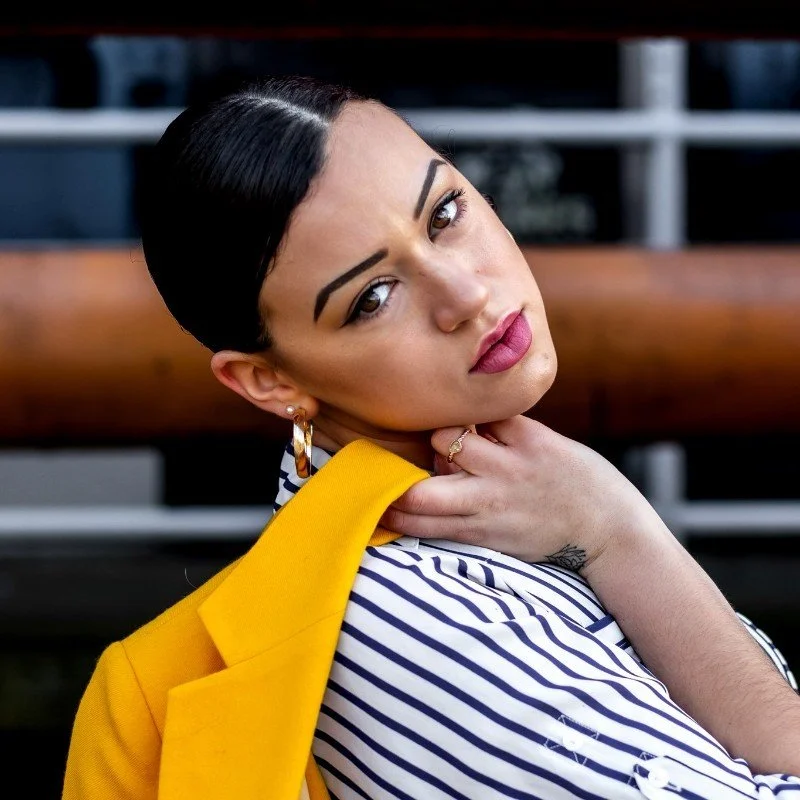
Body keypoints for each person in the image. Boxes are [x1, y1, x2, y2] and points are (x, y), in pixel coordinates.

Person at [62, 74, 800, 800]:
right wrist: (618, 534)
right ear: (269, 381)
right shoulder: (403, 616)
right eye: (373, 297)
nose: (466, 295)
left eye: (444, 213)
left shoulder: (523, 514)